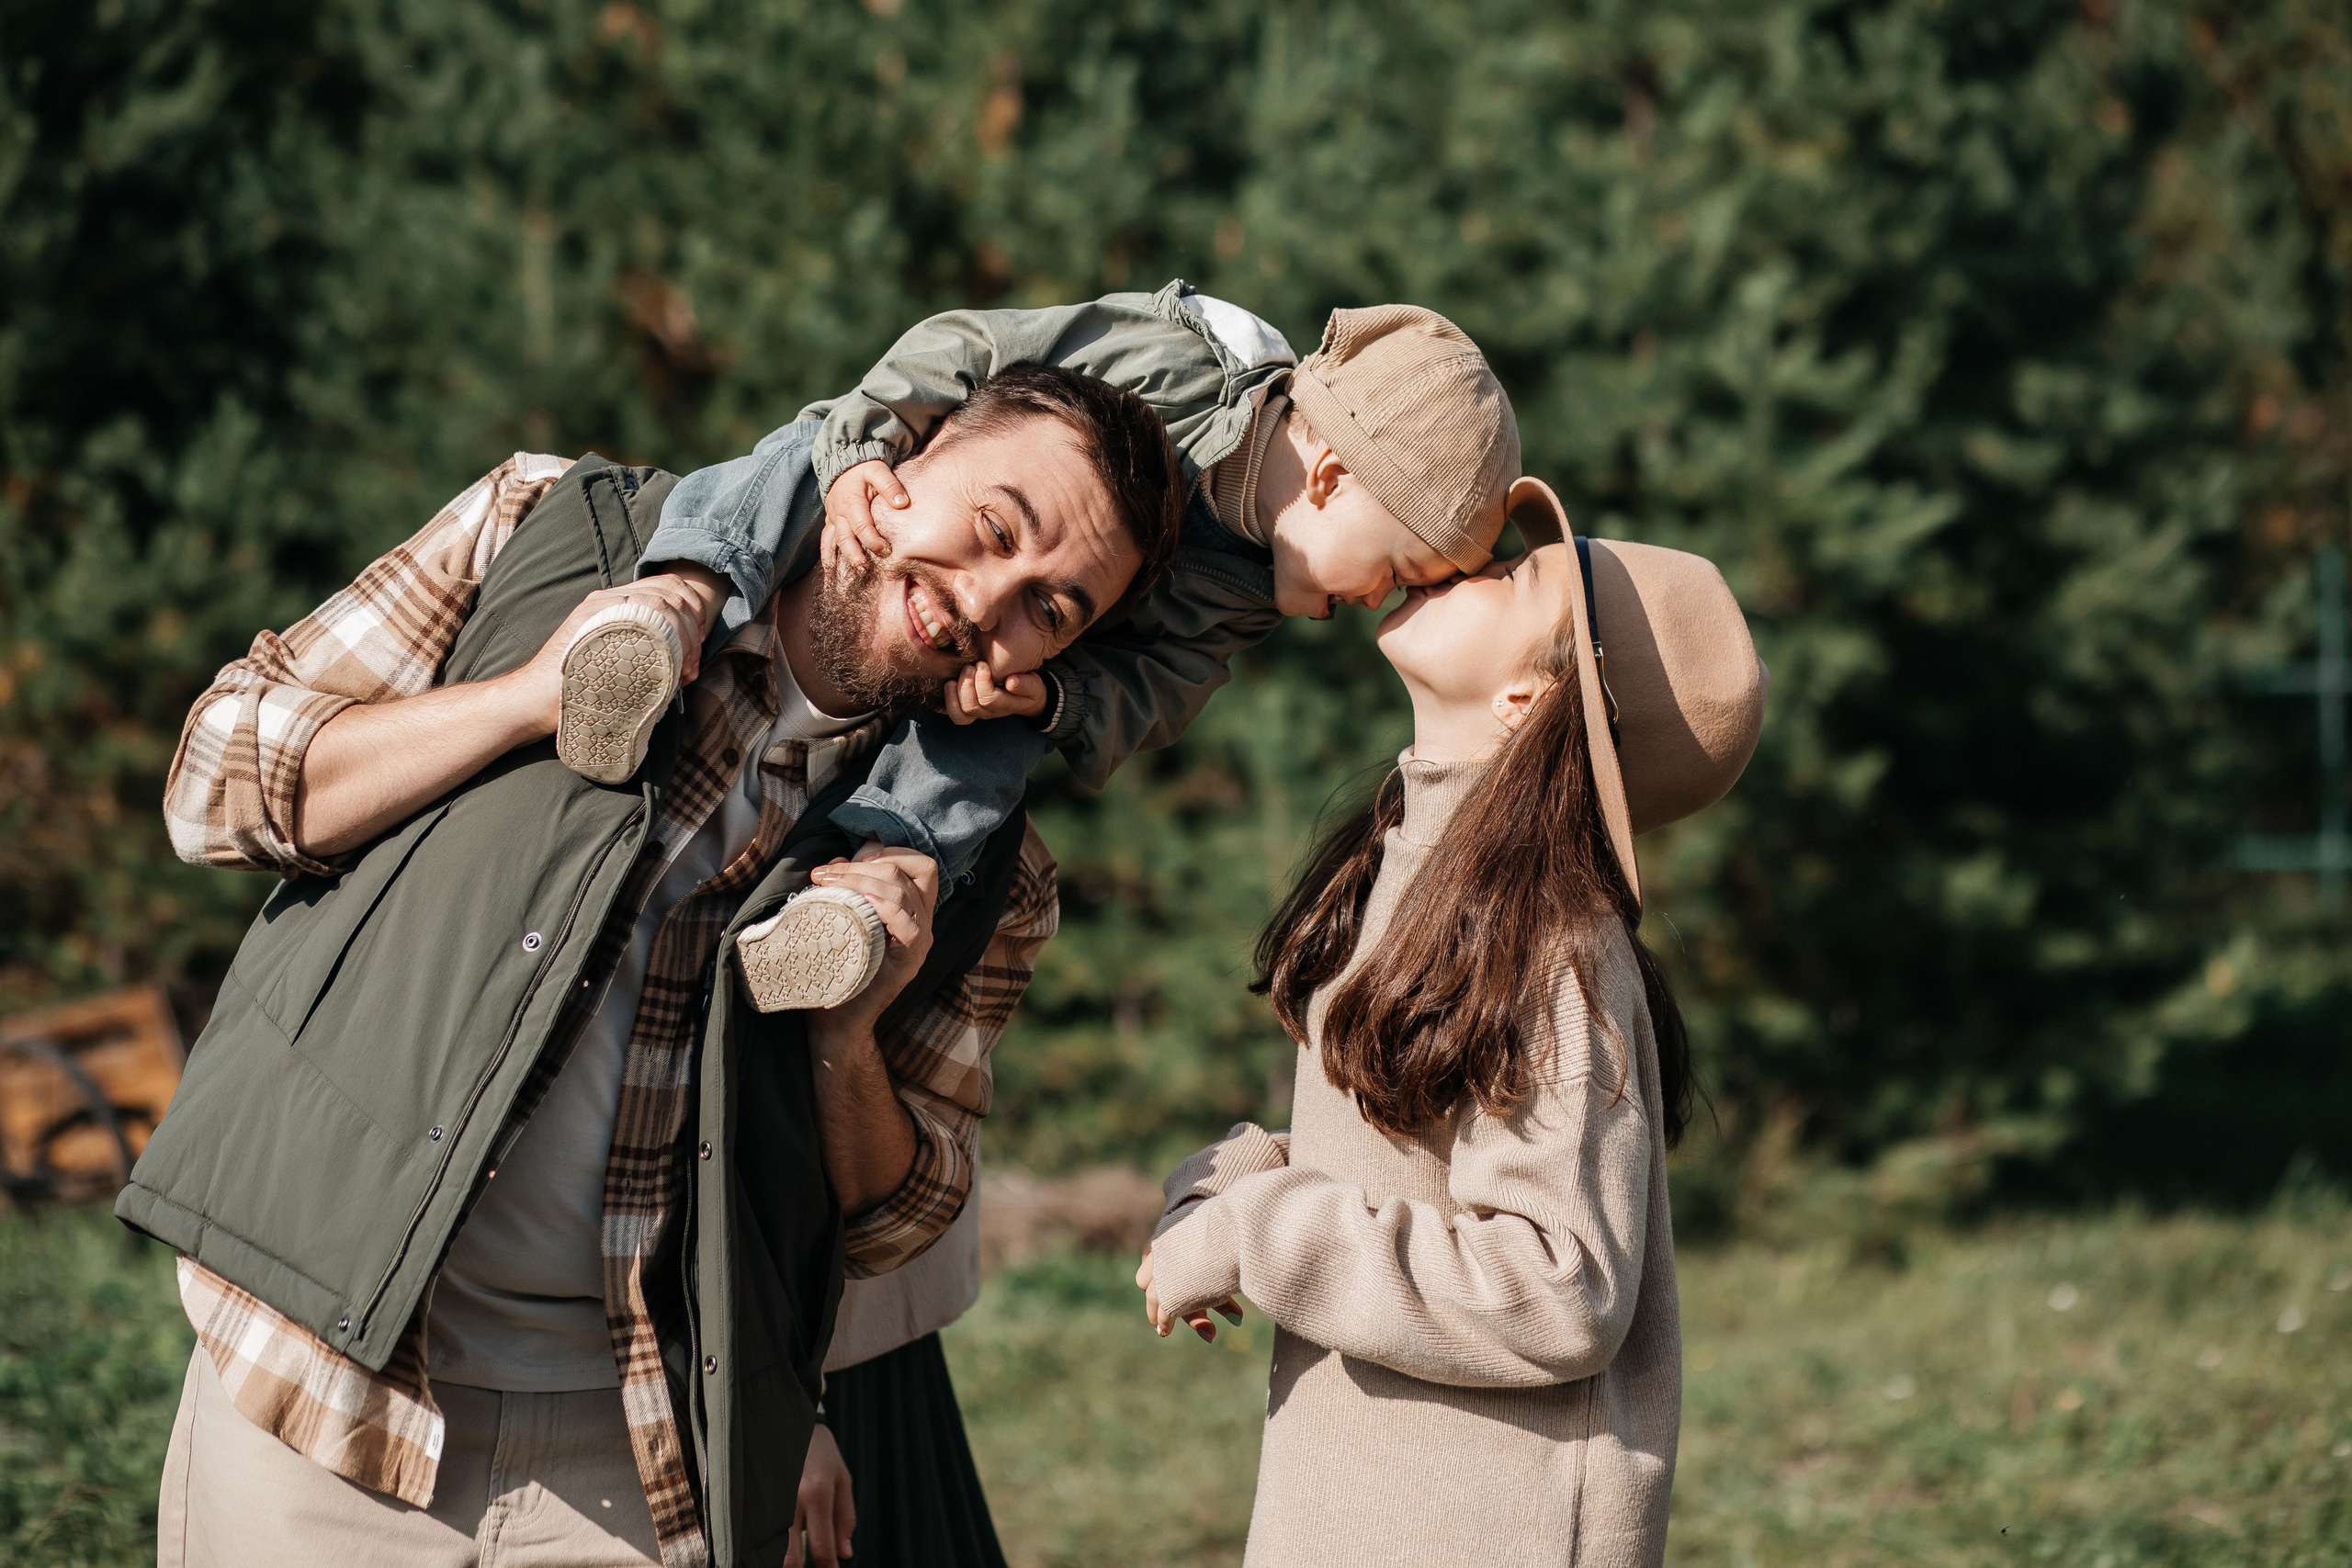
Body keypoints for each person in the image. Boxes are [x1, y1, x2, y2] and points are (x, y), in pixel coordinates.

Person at [127, 363, 1183, 1568]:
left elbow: (898, 1212)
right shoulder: (550, 523)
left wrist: (849, 1031)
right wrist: (530, 697)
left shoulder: (982, 870)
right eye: (996, 528)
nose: (986, 600)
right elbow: (216, 783)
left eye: (1049, 605)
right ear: (896, 467)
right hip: (316, 1393)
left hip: (638, 1457)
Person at [555, 283, 1524, 1014]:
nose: (1377, 604)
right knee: (804, 463)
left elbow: (1163, 689)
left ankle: (864, 889)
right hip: (915, 502)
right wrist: (868, 442)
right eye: (1396, 567)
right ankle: (674, 603)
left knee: (993, 749)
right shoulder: (1174, 366)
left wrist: (1054, 704)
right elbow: (971, 346)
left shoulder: (1247, 590)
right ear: (1331, 474)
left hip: (1025, 650)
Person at [1136, 481, 1769, 1567]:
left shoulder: (1555, 947)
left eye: (1516, 574)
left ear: (1532, 699)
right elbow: (1419, 1167)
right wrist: (1251, 1178)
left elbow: (1556, 1287)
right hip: (1359, 1508)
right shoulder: (1402, 861)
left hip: (1484, 1528)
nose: (1464, 558)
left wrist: (1263, 1234)